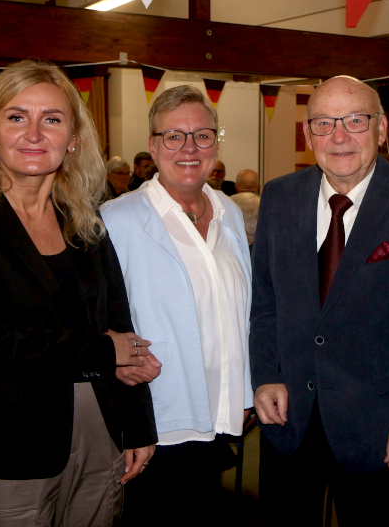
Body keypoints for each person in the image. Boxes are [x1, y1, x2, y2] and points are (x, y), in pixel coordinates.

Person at [0, 60, 158, 526]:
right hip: (8, 440)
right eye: (16, 117)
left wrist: (136, 423)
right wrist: (106, 350)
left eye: (51, 119)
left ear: (72, 139)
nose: (34, 132)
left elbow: (120, 326)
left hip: (101, 431)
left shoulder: (85, 220)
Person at [250, 75, 389, 525]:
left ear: (382, 129)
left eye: (355, 120)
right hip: (290, 421)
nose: (339, 137)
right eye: (323, 123)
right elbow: (265, 302)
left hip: (383, 431)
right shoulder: (280, 197)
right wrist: (265, 376)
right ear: (307, 135)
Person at [101, 85, 253, 525]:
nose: (189, 148)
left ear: (216, 144)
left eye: (202, 135)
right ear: (153, 145)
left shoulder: (228, 213)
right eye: (174, 136)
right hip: (155, 422)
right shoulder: (119, 219)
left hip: (218, 418)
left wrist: (241, 390)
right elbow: (97, 318)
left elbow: (239, 310)